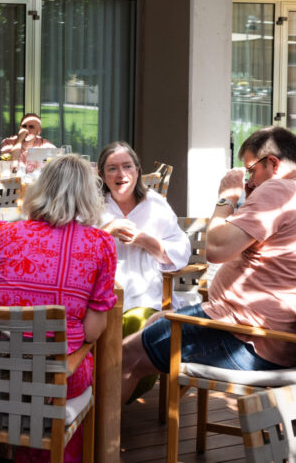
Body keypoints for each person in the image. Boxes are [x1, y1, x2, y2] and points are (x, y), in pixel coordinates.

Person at [120, 126, 296, 404]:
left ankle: (96, 443)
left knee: (125, 355)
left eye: (251, 172)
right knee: (158, 322)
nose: (250, 184)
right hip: (288, 347)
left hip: (245, 340)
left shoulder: (280, 191)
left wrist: (228, 197)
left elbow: (216, 249)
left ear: (273, 163)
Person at [0, 154, 117, 463]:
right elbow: (93, 332)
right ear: (89, 195)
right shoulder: (100, 244)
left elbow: (1, 291)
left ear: (38, 189)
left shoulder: (2, 233)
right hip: (55, 380)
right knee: (77, 362)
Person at [97, 141, 190, 401]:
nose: (120, 174)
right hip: (100, 298)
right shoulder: (93, 205)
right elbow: (75, 248)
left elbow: (181, 252)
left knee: (141, 324)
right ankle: (102, 405)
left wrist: (144, 240)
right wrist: (107, 231)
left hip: (145, 297)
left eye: (127, 166)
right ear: (102, 175)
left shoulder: (155, 204)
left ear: (137, 170)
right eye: (112, 168)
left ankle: (110, 405)